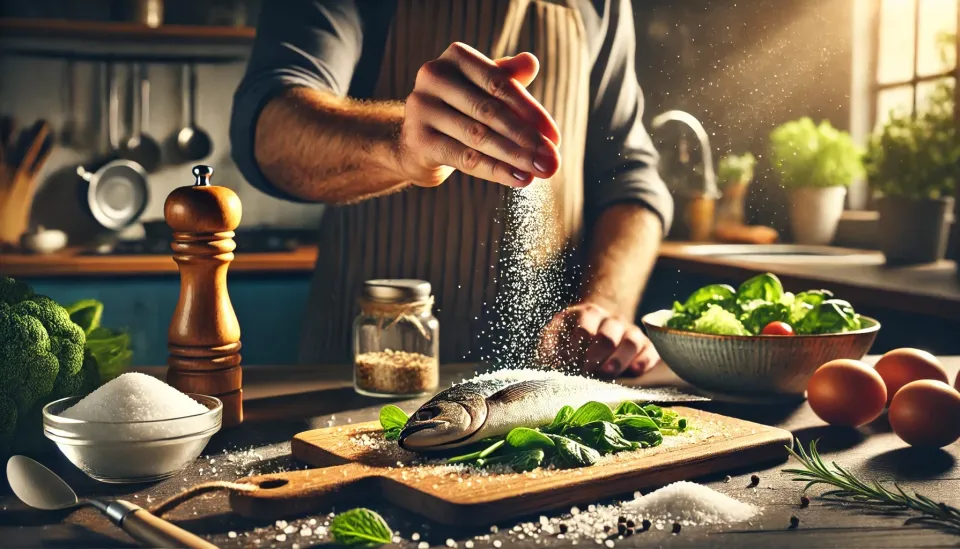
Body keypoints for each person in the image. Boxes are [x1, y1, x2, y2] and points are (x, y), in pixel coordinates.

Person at [230, 0, 673, 378]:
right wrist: (400, 144)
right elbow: (270, 129)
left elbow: (629, 179)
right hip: (362, 375)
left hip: (544, 386)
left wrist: (602, 307)